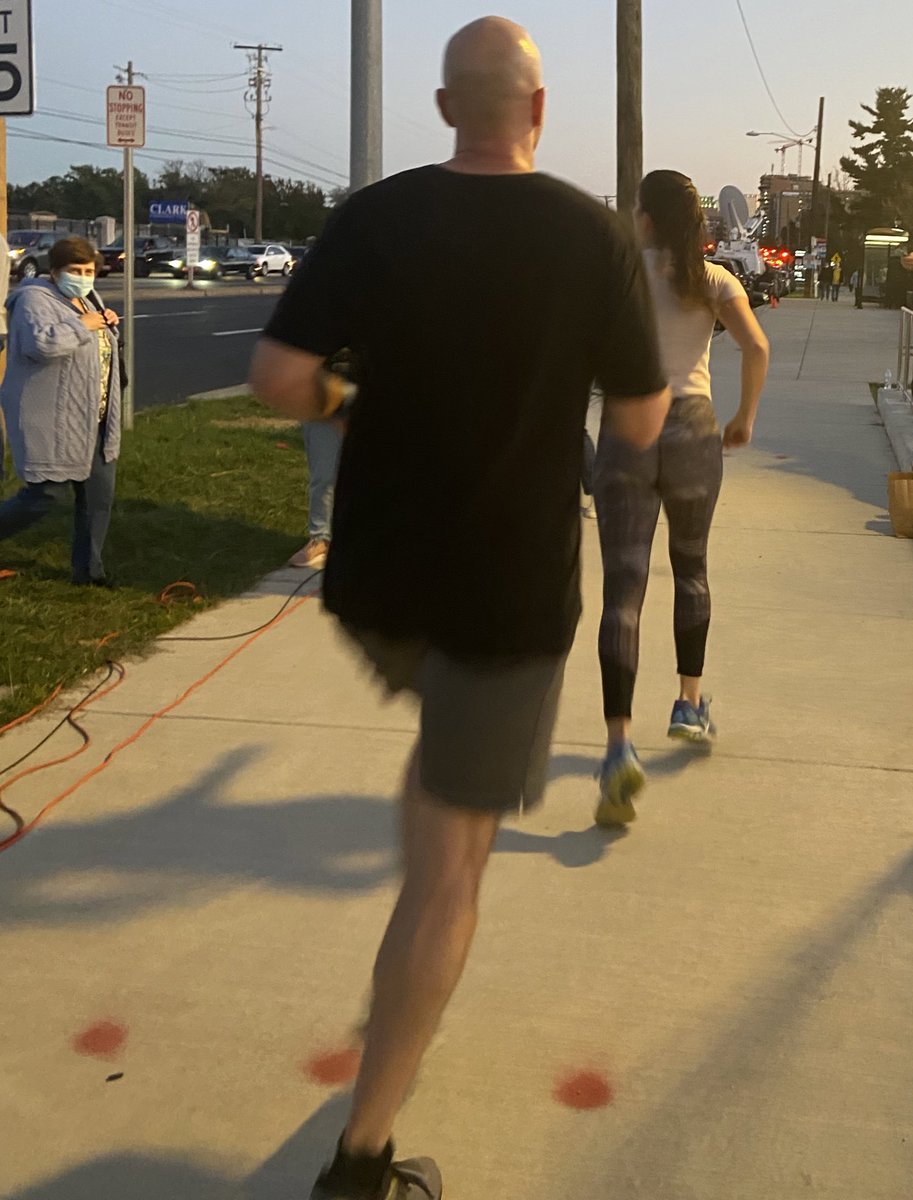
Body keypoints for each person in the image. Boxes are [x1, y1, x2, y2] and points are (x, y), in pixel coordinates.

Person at [248, 17, 669, 1199]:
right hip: (503, 592)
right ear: (535, 112)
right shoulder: (589, 234)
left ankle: (425, 858)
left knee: (437, 772)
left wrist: (355, 400)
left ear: (446, 110)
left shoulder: (374, 215)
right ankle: (365, 1159)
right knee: (448, 872)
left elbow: (281, 380)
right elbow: (637, 423)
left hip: (379, 586)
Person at [594, 170, 769, 826]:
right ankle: (688, 705)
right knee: (690, 567)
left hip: (626, 427)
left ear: (642, 218)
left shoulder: (615, 277)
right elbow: (755, 346)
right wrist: (744, 416)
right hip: (694, 425)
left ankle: (616, 748)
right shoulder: (713, 279)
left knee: (623, 588)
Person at [0, 236, 121, 585]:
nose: (83, 276)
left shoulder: (87, 299)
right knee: (46, 494)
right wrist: (84, 326)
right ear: (54, 271)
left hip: (95, 417)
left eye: (88, 270)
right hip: (55, 418)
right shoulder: (32, 300)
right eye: (74, 270)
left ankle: (89, 571)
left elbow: (97, 345)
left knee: (98, 498)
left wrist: (105, 322)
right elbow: (42, 345)